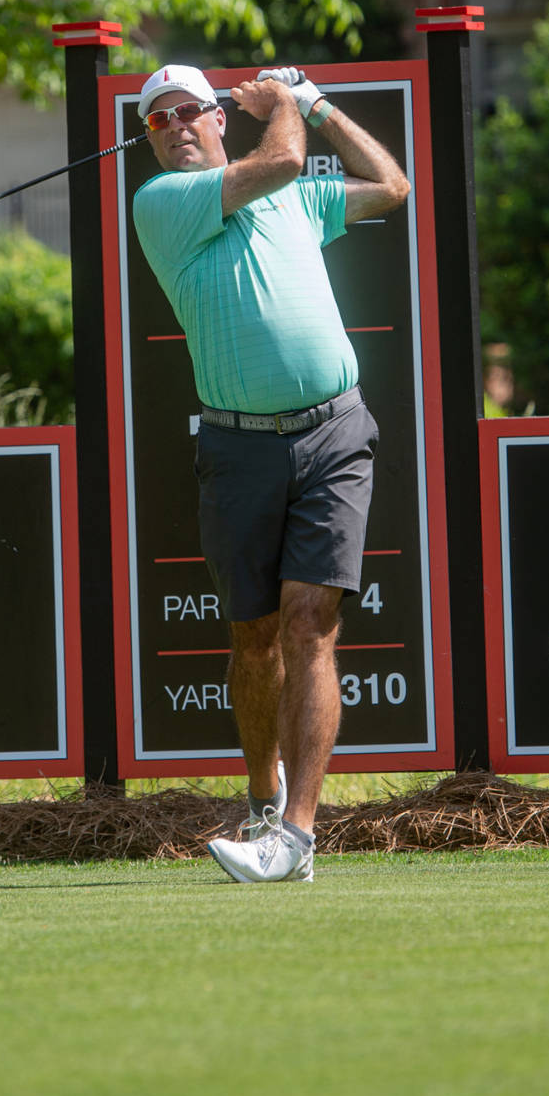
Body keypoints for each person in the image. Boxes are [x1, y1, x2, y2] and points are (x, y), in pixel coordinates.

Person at [131, 62, 410, 883]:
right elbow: (282, 160)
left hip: (334, 430)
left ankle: (295, 835)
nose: (178, 124)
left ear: (220, 116)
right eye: (158, 119)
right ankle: (262, 798)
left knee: (310, 623)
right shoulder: (165, 204)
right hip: (238, 446)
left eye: (191, 110)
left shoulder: (294, 196)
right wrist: (285, 106)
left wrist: (318, 105)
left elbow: (391, 186)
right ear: (151, 140)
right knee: (254, 641)